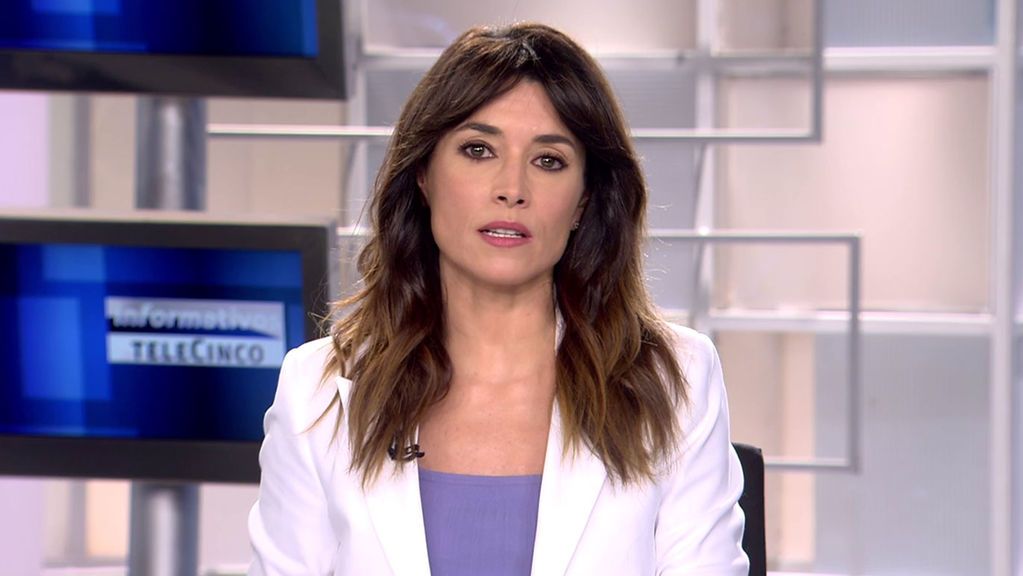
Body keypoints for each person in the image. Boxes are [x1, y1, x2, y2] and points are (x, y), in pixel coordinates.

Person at [248, 22, 748, 576]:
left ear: (584, 201)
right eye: (478, 150)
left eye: (548, 160)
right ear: (423, 175)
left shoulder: (676, 381)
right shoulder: (315, 391)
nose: (512, 189)